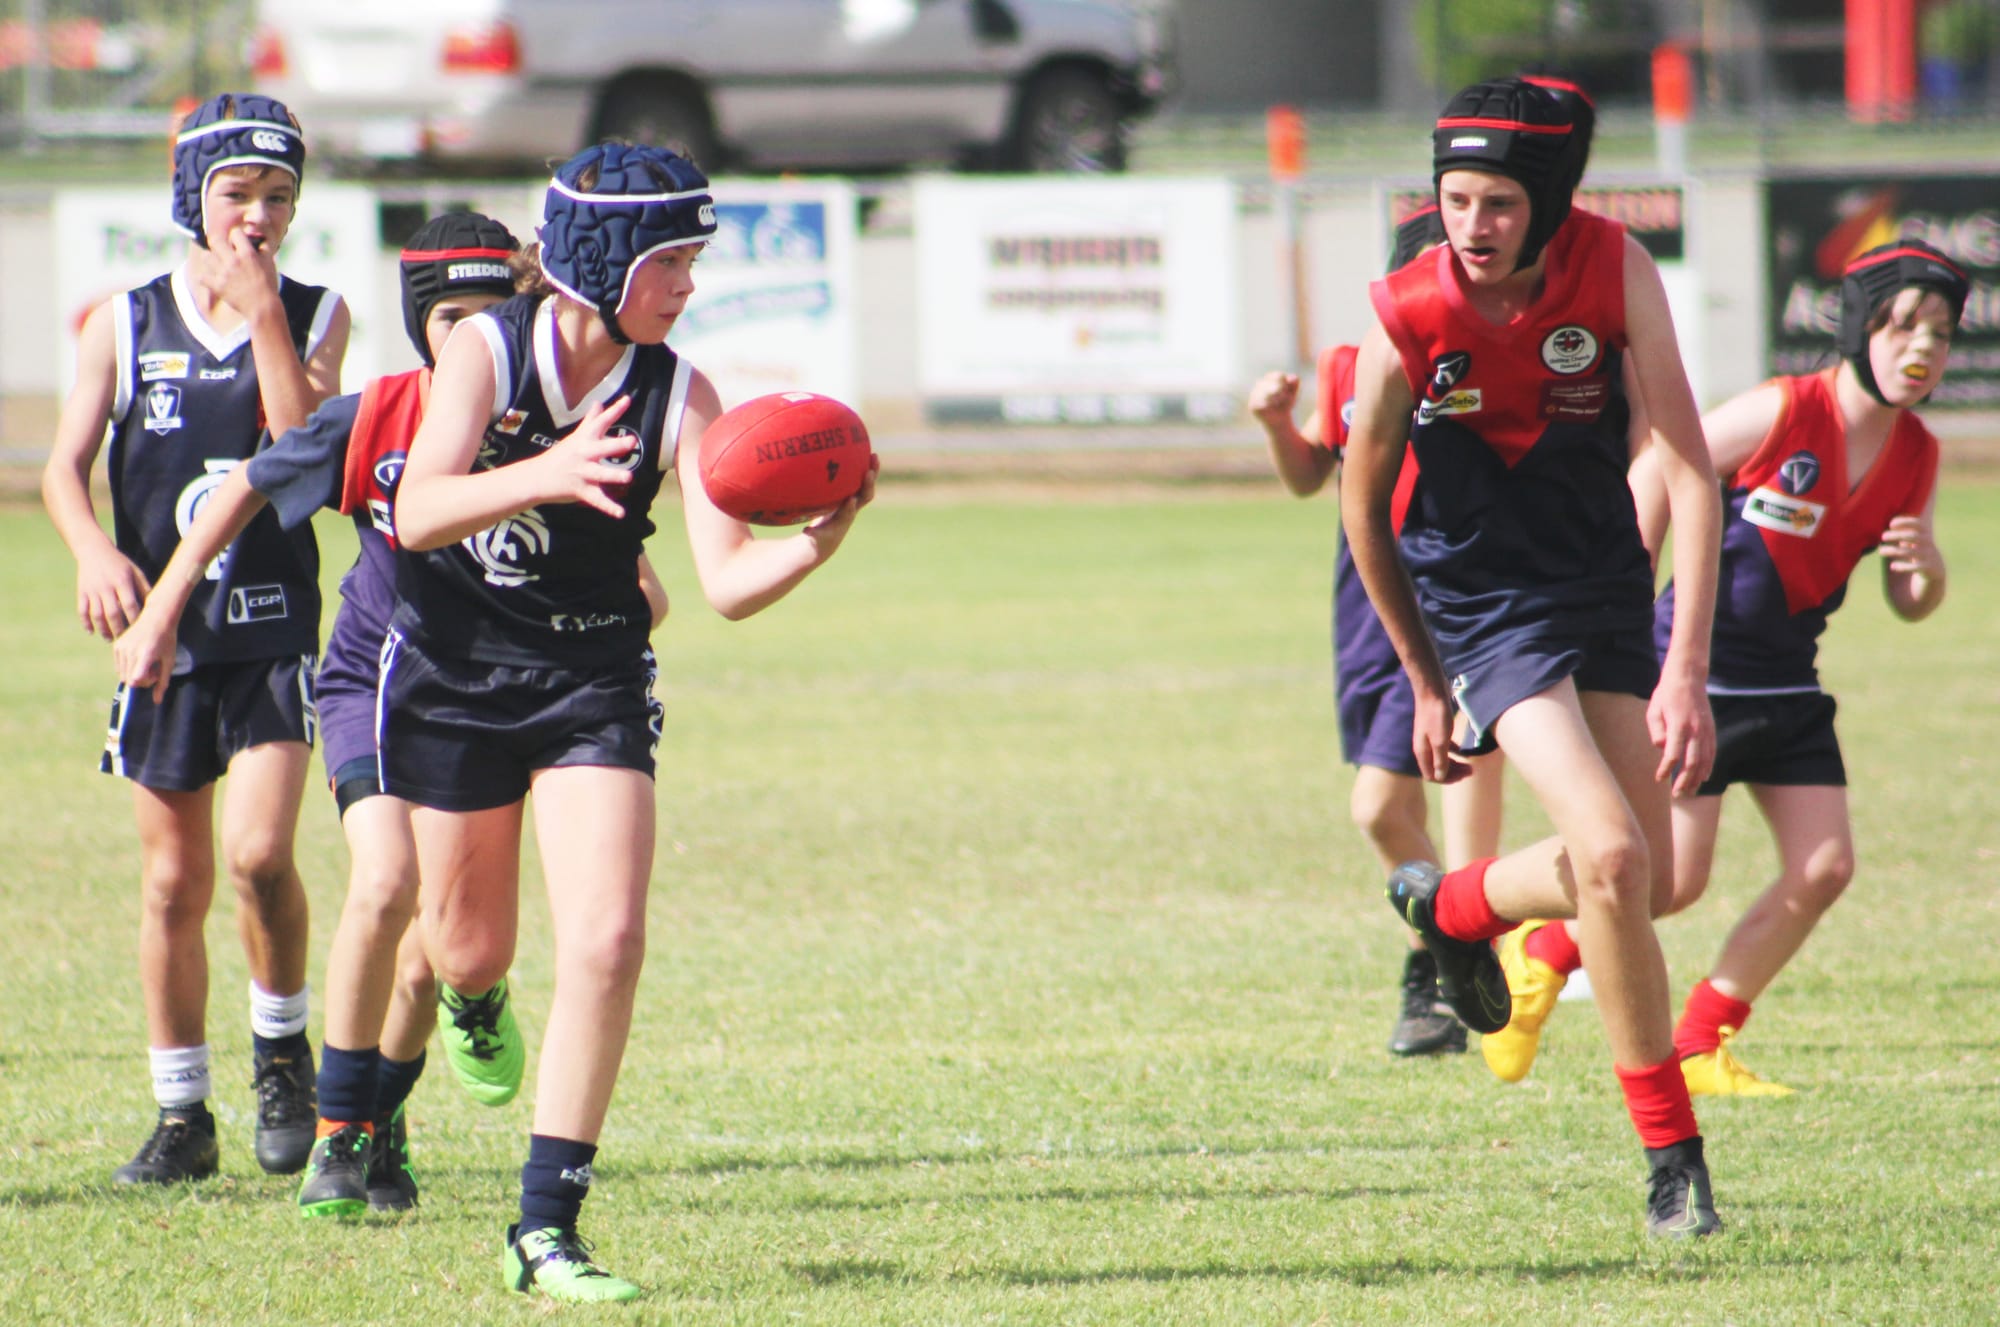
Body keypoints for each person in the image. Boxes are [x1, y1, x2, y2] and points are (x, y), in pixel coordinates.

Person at [384, 142, 873, 1300]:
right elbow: (417, 510)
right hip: (453, 676)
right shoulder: (483, 349)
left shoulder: (679, 392)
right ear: (604, 259)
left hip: (592, 676)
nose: (690, 287)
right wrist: (547, 470)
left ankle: (543, 1226)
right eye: (675, 263)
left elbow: (722, 581)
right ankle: (466, 992)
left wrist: (815, 541)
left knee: (606, 940)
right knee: (470, 946)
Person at [110, 213, 674, 1216]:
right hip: (374, 676)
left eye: (489, 316)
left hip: (480, 687)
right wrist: (159, 610)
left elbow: (629, 573)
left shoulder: (539, 424)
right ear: (422, 327)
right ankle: (341, 1130)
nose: (469, 338)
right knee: (383, 881)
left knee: (442, 945)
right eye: (449, 317)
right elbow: (244, 488)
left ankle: (400, 1094)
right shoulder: (381, 414)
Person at [1340, 78, 1726, 1236]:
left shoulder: (1614, 269)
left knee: (1643, 876)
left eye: (1497, 201)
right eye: (1454, 198)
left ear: (1546, 201)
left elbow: (1690, 470)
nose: (1470, 223)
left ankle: (1455, 905)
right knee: (1605, 854)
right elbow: (1361, 508)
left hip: (1604, 580)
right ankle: (1672, 1160)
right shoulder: (1407, 308)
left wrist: (1684, 662)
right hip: (1480, 602)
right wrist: (1418, 676)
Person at [42, 92, 349, 1185]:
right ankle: (183, 1117)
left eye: (277, 197)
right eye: (235, 194)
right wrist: (93, 554)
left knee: (261, 856)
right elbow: (61, 468)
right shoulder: (122, 322)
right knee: (173, 884)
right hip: (162, 645)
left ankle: (282, 1052)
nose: (256, 215)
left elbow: (302, 454)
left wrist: (263, 310)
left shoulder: (315, 313)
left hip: (268, 630)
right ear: (191, 196)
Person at [1248, 203, 1475, 1058]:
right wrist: (1277, 424)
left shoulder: (1489, 372)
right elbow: (1316, 473)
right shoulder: (1351, 366)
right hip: (1370, 619)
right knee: (1398, 807)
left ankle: (1448, 961)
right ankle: (1446, 974)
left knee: (1382, 807)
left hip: (1456, 613)